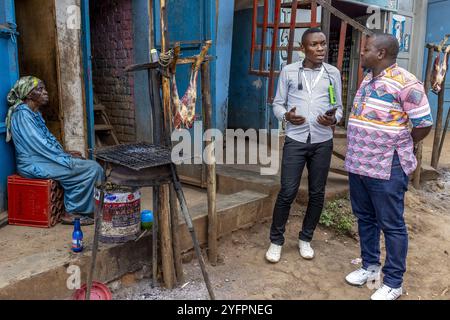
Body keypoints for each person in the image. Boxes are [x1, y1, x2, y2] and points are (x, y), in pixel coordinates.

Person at [344, 33, 433, 300]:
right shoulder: (368, 79)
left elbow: (424, 124)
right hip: (359, 164)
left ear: (381, 53)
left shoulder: (407, 83)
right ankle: (370, 268)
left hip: (387, 168)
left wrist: (399, 146)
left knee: (392, 225)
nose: (362, 53)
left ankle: (393, 282)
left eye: (366, 49)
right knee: (365, 218)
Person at [266, 28, 343, 263]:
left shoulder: (333, 73)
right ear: (303, 49)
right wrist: (286, 117)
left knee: (317, 193)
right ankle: (276, 241)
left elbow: (339, 107)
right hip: (296, 141)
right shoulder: (289, 72)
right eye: (314, 45)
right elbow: (277, 104)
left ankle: (305, 238)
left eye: (323, 44)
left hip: (322, 142)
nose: (320, 49)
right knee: (288, 191)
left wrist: (334, 119)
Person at [5, 76, 104, 225]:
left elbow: (46, 140)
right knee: (92, 168)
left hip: (43, 160)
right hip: (33, 165)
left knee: (87, 164)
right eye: (40, 89)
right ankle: (71, 212)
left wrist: (66, 153)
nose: (45, 92)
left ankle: (82, 206)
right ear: (29, 94)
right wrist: (64, 156)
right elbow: (40, 144)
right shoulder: (22, 115)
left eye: (44, 88)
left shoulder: (34, 114)